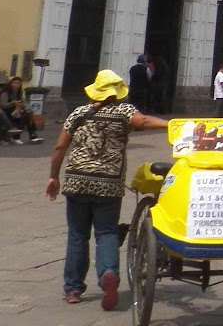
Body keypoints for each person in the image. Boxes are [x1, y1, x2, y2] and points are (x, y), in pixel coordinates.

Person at [45, 69, 169, 307]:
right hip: (108, 184)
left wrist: (53, 177)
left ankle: (73, 289)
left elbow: (60, 147)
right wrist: (173, 125)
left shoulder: (78, 113)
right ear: (117, 93)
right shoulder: (124, 111)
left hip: (77, 181)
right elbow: (143, 121)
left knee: (77, 235)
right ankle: (108, 274)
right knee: (107, 233)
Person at [0, 76, 43, 143]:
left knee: (28, 115)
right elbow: (3, 105)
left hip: (17, 111)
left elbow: (24, 102)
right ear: (10, 83)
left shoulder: (19, 93)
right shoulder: (5, 93)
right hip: (8, 112)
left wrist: (29, 110)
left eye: (18, 83)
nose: (16, 85)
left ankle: (33, 135)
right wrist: (13, 103)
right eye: (15, 83)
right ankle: (16, 136)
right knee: (23, 116)